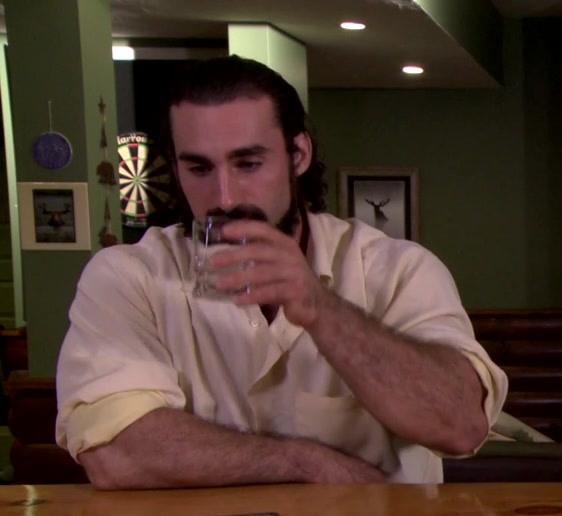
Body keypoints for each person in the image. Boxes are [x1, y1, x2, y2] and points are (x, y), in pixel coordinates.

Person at [55, 56, 508, 490]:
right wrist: (305, 463)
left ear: (298, 155)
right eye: (199, 168)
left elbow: (460, 426)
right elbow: (115, 452)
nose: (225, 197)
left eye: (248, 163)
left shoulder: (398, 271)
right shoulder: (127, 277)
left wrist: (320, 308)